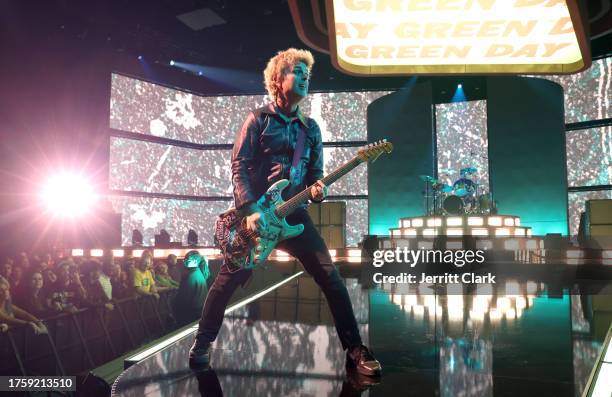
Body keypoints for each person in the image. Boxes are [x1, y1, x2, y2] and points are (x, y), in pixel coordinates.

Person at [189, 48, 381, 377]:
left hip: (294, 216)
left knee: (331, 277)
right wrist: (249, 209)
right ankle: (203, 343)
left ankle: (354, 349)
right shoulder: (257, 120)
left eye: (309, 74)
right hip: (257, 218)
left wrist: (319, 192)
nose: (306, 78)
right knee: (227, 280)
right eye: (299, 72)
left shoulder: (312, 129)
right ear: (279, 79)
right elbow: (239, 167)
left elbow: (314, 178)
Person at [173, 251, 209, 326]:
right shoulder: (199, 273)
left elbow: (184, 298)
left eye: (187, 260)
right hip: (199, 311)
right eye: (184, 260)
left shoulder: (190, 276)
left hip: (190, 314)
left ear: (195, 261)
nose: (184, 262)